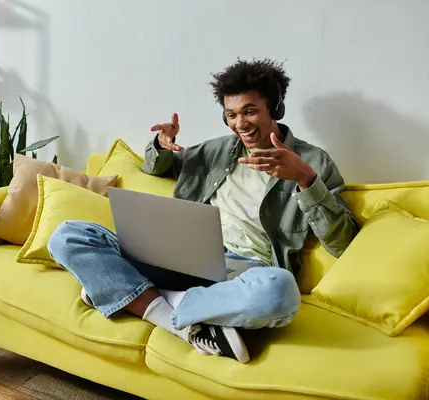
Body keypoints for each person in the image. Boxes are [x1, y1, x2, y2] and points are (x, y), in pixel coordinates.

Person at [48, 58, 358, 363]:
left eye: (250, 111)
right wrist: (160, 144)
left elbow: (343, 241)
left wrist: (305, 180)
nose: (240, 123)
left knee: (280, 291)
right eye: (231, 114)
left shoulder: (313, 162)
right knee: (68, 235)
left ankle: (135, 294)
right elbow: (160, 167)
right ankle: (173, 316)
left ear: (274, 109)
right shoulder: (215, 152)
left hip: (245, 274)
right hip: (182, 256)